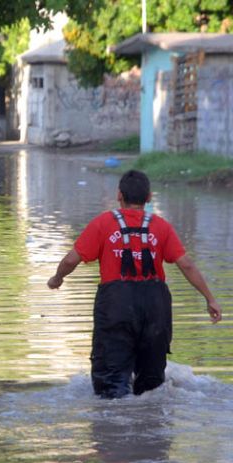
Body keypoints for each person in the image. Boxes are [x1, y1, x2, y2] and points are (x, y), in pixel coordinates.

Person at [47, 170, 222, 399]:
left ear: (119, 195)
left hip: (115, 307)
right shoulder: (161, 227)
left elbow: (71, 259)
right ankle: (151, 430)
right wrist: (210, 299)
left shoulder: (102, 224)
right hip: (155, 309)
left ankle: (114, 429)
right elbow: (187, 265)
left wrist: (57, 278)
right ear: (149, 197)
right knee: (151, 386)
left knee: (110, 386)